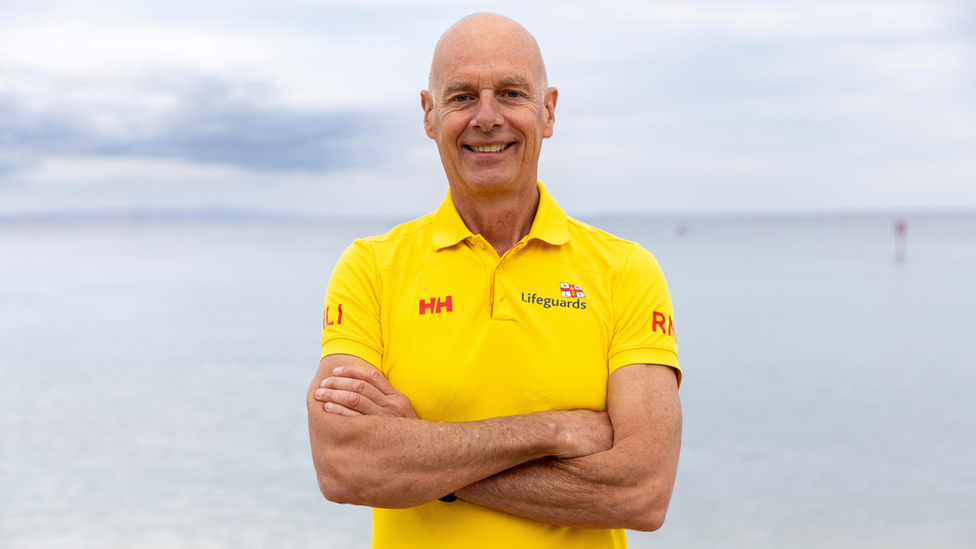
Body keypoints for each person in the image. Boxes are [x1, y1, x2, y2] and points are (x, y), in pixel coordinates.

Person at [307, 13, 682, 549]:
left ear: (547, 111)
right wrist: (549, 431)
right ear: (429, 114)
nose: (487, 118)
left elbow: (643, 492)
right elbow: (345, 466)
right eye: (461, 97)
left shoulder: (624, 271)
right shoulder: (371, 268)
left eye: (510, 93)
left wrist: (422, 456)